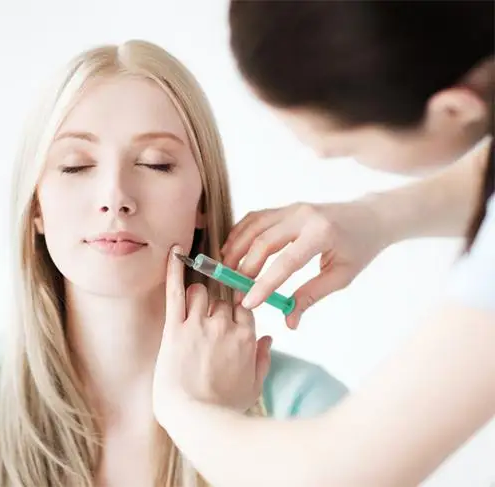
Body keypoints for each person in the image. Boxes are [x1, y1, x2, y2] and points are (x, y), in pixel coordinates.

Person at [0, 40, 347, 487]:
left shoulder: (311, 416)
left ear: (203, 203)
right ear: (36, 206)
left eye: (156, 164)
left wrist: (221, 431)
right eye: (76, 166)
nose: (115, 197)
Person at [152, 2, 495, 487]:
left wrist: (180, 404)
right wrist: (377, 216)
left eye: (343, 149)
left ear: (455, 109)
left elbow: (337, 476)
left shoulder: (301, 393)